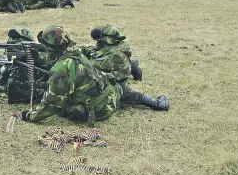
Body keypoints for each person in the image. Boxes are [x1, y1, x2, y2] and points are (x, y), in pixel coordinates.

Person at [20, 26, 169, 126]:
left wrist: (30, 116)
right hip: (109, 92)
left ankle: (155, 103)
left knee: (65, 106)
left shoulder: (61, 69)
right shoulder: (75, 52)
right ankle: (155, 103)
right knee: (121, 89)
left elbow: (51, 105)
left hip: (98, 109)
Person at [83, 25, 168, 111]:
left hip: (117, 83)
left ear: (108, 40)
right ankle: (133, 66)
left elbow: (93, 64)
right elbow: (92, 51)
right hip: (114, 71)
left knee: (128, 95)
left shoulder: (116, 55)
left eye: (99, 41)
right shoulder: (106, 48)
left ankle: (157, 103)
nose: (97, 43)